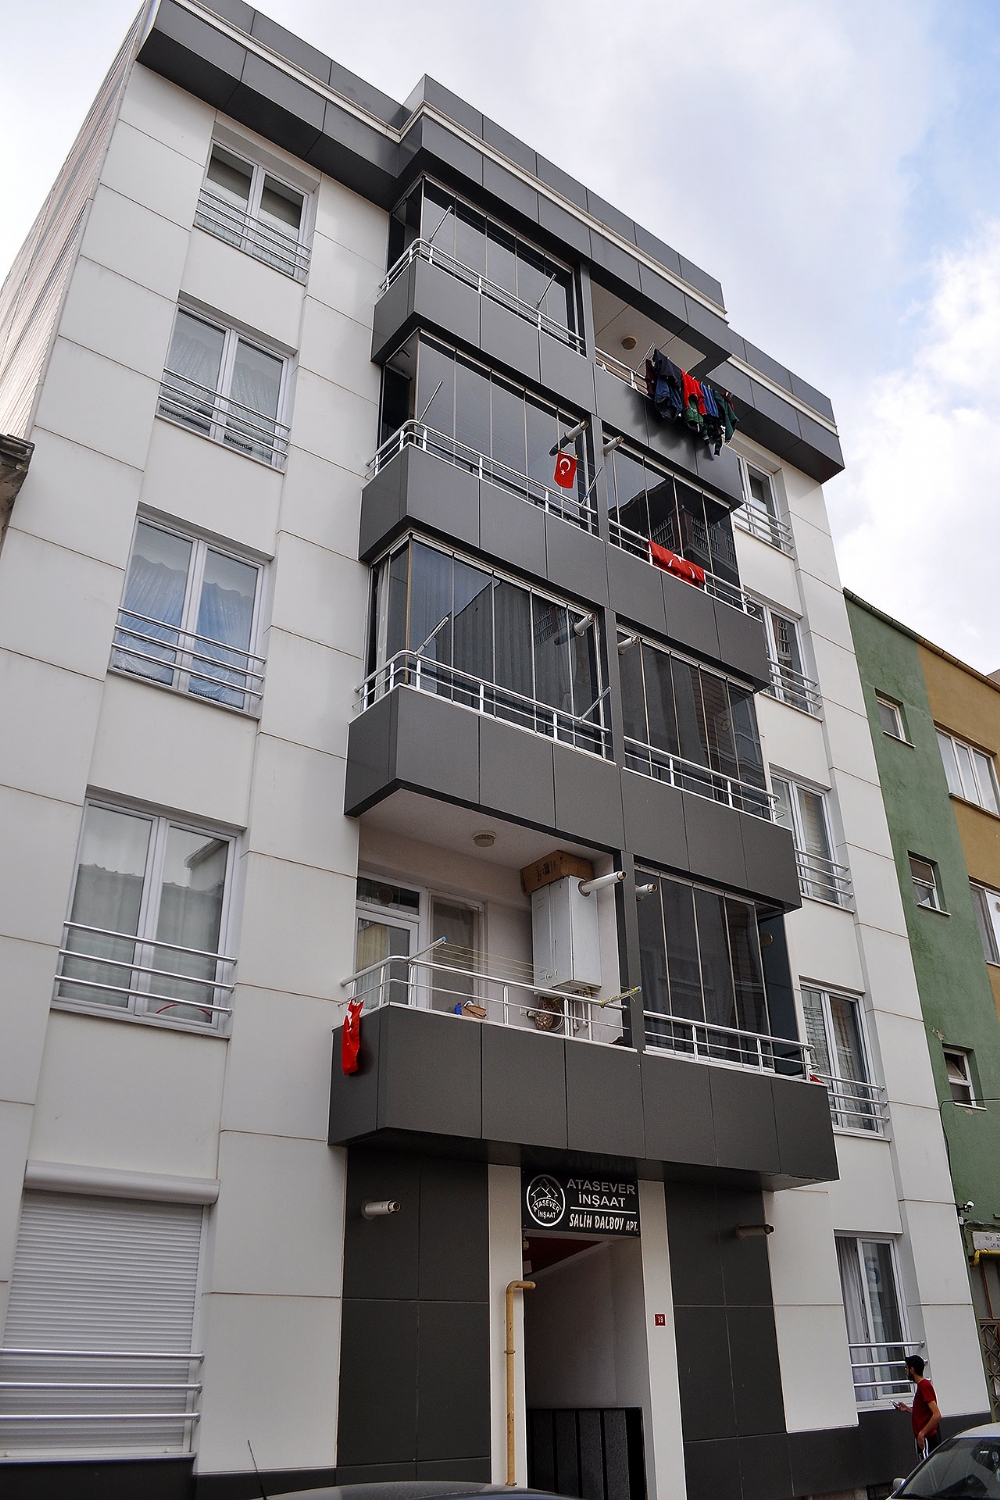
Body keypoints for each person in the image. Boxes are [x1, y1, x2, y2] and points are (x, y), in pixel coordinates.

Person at [895, 1355, 942, 1459]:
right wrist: (908, 1409)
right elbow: (924, 1413)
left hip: (928, 1438)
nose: (906, 1371)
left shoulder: (924, 1386)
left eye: (907, 1368)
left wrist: (922, 1433)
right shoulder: (921, 1387)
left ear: (912, 1370)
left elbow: (937, 1415)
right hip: (924, 1438)